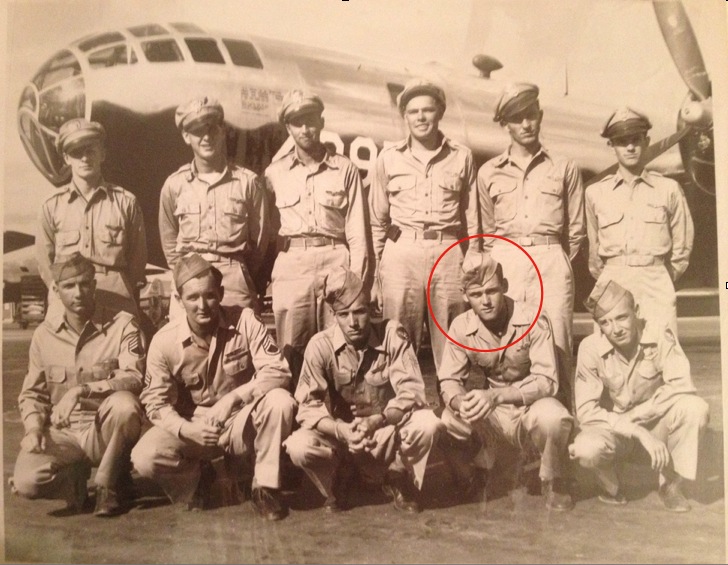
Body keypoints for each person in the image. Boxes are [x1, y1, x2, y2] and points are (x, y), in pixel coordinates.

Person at [131, 254, 296, 521]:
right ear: (179, 300)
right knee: (144, 457)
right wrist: (187, 429)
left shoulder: (245, 320)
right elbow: (155, 403)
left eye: (209, 295)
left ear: (220, 293)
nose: (202, 306)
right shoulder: (164, 342)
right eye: (192, 298)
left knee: (280, 401)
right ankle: (199, 481)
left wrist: (233, 398)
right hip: (195, 428)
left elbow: (278, 371)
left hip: (240, 421)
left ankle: (264, 487)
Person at [285, 267, 443, 513]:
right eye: (344, 314)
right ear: (333, 315)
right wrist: (340, 430)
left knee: (427, 423)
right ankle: (337, 479)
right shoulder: (320, 345)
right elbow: (307, 406)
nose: (353, 322)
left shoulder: (392, 334)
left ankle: (398, 475)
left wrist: (379, 418)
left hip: (384, 433)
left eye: (359, 312)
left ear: (371, 309)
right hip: (344, 439)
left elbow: (412, 392)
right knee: (299, 445)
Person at [12, 252, 145, 517]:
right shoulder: (43, 336)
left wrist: (81, 390)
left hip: (103, 431)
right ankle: (74, 483)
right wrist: (34, 428)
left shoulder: (122, 325)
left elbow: (135, 378)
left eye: (84, 284)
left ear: (94, 285)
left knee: (124, 405)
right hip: (64, 433)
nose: (78, 293)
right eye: (69, 286)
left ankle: (108, 484)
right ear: (56, 290)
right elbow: (32, 394)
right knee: (26, 482)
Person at [438, 253, 574, 511]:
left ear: (505, 286)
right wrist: (461, 402)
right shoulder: (460, 326)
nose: (486, 301)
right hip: (494, 414)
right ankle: (477, 469)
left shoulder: (533, 318)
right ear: (465, 296)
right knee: (446, 418)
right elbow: (448, 380)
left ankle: (553, 478)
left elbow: (547, 381)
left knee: (554, 418)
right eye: (476, 294)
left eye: (492, 291)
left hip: (529, 407)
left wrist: (497, 396)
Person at [478, 83, 585, 409]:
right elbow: (488, 232)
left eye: (531, 116)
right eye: (516, 118)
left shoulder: (564, 167)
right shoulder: (488, 172)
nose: (526, 124)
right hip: (507, 260)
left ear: (540, 116)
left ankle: (561, 422)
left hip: (550, 258)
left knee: (558, 344)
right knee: (507, 342)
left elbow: (576, 231)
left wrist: (553, 258)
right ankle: (505, 423)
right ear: (505, 124)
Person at [569, 280, 709, 512]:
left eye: (622, 317)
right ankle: (610, 484)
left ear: (636, 311)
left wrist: (637, 416)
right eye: (605, 322)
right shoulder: (590, 348)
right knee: (586, 446)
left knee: (695, 408)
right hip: (618, 432)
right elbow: (586, 412)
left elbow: (682, 384)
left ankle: (671, 483)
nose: (616, 329)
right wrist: (635, 430)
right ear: (599, 326)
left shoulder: (659, 333)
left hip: (656, 427)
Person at [370, 78, 479, 370]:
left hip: (448, 253)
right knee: (396, 342)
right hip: (401, 254)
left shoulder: (462, 156)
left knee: (454, 342)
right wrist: (377, 276)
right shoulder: (388, 158)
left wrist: (472, 262)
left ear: (440, 112)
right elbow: (378, 222)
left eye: (428, 110)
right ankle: (399, 399)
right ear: (405, 116)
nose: (420, 117)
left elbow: (473, 219)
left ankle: (452, 399)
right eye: (413, 111)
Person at [264, 90, 369, 381]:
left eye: (310, 120)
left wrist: (355, 283)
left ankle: (340, 406)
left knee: (338, 346)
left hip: (335, 260)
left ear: (321, 122)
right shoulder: (274, 173)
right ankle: (296, 406)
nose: (305, 129)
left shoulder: (345, 169)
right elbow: (266, 231)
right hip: (293, 265)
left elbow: (357, 232)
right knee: (292, 349)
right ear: (288, 128)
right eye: (297, 123)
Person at [159, 96, 270, 320]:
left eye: (212, 129)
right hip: (189, 279)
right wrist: (185, 273)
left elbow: (259, 242)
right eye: (197, 131)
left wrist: (238, 269)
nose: (206, 137)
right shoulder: (174, 185)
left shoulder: (247, 182)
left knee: (240, 338)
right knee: (187, 341)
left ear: (222, 131)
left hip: (234, 281)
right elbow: (169, 240)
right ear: (186, 136)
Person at [585, 107, 694, 334]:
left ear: (647, 141)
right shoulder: (596, 193)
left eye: (636, 139)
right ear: (611, 146)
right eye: (622, 141)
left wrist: (662, 277)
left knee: (662, 346)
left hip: (655, 280)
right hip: (613, 279)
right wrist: (611, 274)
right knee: (611, 350)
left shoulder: (668, 189)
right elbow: (593, 251)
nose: (630, 147)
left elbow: (682, 245)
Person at [37, 118, 147, 322]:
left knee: (127, 340)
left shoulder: (126, 202)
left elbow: (137, 262)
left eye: (91, 150)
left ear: (102, 154)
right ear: (66, 158)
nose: (84, 158)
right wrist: (63, 291)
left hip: (115, 298)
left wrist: (121, 287)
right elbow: (45, 261)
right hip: (67, 299)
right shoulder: (51, 206)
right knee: (53, 341)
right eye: (76, 152)